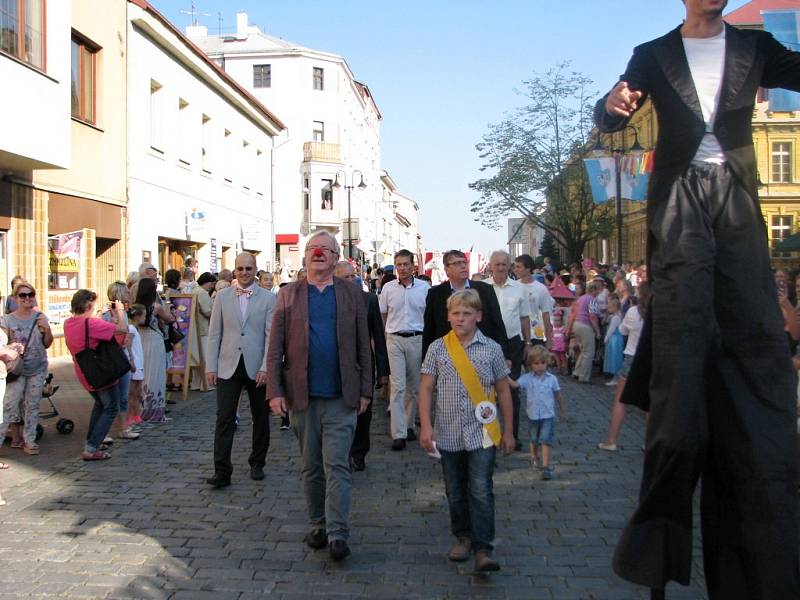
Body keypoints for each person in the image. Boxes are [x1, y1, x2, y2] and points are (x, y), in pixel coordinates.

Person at [596, 1, 800, 596]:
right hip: (679, 191)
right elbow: (609, 114)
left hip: (735, 190)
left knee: (748, 313)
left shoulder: (755, 48)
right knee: (684, 318)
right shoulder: (654, 54)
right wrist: (612, 107)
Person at [267, 231, 372, 561]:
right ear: (306, 255)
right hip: (303, 397)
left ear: (336, 257)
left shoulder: (352, 293)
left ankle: (338, 533)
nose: (318, 254)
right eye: (314, 249)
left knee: (338, 464)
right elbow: (275, 349)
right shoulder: (289, 295)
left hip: (342, 397)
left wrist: (367, 389)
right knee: (312, 467)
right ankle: (318, 524)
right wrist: (274, 391)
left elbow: (363, 347)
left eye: (326, 250)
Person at [418, 289, 514, 573]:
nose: (461, 319)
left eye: (467, 314)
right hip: (447, 432)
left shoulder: (492, 349)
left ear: (479, 317)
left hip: (482, 433)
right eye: (456, 314)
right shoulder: (438, 347)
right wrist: (426, 425)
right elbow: (425, 387)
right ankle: (463, 536)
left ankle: (484, 547)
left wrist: (508, 431)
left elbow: (503, 390)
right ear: (448, 317)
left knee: (481, 489)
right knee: (455, 490)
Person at [205, 252, 275, 488]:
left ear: (256, 269)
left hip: (257, 367)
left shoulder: (267, 298)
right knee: (224, 418)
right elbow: (215, 333)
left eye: (248, 268)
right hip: (228, 365)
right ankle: (222, 471)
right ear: (234, 271)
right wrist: (211, 366)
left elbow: (270, 337)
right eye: (240, 269)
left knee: (260, 417)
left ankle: (257, 462)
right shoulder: (222, 297)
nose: (244, 273)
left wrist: (266, 367)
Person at [334, 261, 389, 470]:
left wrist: (383, 371)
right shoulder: (330, 299)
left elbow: (378, 336)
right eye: (345, 277)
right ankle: (342, 452)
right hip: (337, 365)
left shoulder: (368, 300)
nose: (351, 281)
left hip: (363, 365)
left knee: (364, 412)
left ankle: (359, 453)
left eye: (353, 277)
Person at [63, 291, 128, 461]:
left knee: (100, 405)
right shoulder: (90, 323)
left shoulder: (68, 323)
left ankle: (93, 442)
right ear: (88, 305)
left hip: (85, 372)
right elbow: (122, 329)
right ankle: (91, 449)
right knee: (111, 407)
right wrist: (120, 311)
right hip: (101, 371)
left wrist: (106, 318)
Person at [378, 249, 430, 451]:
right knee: (398, 386)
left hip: (417, 339)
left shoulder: (424, 288)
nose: (402, 268)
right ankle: (398, 433)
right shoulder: (388, 288)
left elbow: (428, 316)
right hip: (394, 339)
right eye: (398, 265)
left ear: (413, 266)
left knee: (414, 387)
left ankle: (409, 425)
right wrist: (385, 337)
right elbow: (383, 315)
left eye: (405, 264)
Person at [422, 249, 509, 363]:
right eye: (457, 263)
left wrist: (504, 355)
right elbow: (429, 329)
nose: (463, 266)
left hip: (482, 355)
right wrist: (425, 360)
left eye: (464, 262)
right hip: (447, 355)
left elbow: (497, 323)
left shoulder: (485, 290)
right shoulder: (435, 294)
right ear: (447, 269)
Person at [0, 282, 53, 455]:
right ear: (15, 298)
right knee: (8, 406)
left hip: (37, 368)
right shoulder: (7, 319)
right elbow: (3, 345)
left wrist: (46, 329)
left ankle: (29, 441)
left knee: (33, 405)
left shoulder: (39, 316)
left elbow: (47, 343)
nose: (27, 298)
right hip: (17, 370)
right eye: (23, 295)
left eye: (30, 294)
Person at [598, 284, 651, 453]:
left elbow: (623, 330)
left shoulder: (633, 312)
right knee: (651, 403)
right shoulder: (660, 312)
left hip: (631, 356)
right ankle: (649, 442)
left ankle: (612, 440)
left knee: (620, 400)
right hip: (651, 358)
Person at [489, 250, 532, 451]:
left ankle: (512, 435)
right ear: (490, 266)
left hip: (514, 343)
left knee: (512, 390)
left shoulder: (518, 289)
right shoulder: (482, 288)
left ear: (509, 266)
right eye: (496, 264)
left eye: (504, 264)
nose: (500, 267)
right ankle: (489, 435)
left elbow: (525, 318)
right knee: (487, 391)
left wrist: (528, 343)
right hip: (489, 343)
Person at [509, 345, 566, 481]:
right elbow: (515, 385)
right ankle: (534, 457)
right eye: (536, 363)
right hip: (533, 415)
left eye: (543, 363)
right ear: (530, 365)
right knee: (534, 439)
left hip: (547, 416)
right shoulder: (527, 378)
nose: (540, 366)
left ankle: (546, 467)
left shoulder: (552, 379)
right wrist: (504, 374)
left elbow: (558, 395)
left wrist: (562, 410)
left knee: (546, 440)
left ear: (547, 363)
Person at [101, 282, 138, 441]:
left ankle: (123, 428)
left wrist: (131, 358)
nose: (129, 295)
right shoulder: (106, 314)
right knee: (109, 399)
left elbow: (127, 339)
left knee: (123, 395)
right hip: (111, 359)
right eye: (127, 293)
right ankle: (103, 433)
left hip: (122, 357)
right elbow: (111, 335)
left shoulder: (124, 313)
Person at [134, 277, 174, 423]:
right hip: (155, 341)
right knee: (156, 374)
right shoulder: (155, 306)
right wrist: (168, 304)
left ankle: (140, 409)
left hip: (140, 340)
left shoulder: (136, 307)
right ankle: (155, 411)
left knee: (143, 374)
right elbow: (170, 319)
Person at [513, 255, 555, 348]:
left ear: (528, 269)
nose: (515, 270)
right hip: (517, 335)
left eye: (518, 267)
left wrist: (548, 339)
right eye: (514, 267)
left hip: (536, 333)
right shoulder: (513, 286)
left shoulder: (541, 288)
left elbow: (546, 314)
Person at [565, 281, 601, 383]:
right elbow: (593, 316)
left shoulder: (581, 298)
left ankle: (577, 372)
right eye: (597, 290)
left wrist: (569, 328)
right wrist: (597, 331)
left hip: (577, 324)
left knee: (583, 350)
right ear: (593, 290)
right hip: (586, 326)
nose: (597, 292)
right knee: (589, 352)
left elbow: (574, 313)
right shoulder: (592, 299)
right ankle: (583, 376)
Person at [189, 272, 215, 392]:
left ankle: (196, 383)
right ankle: (206, 384)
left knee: (197, 356)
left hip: (195, 328)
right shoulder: (203, 293)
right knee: (205, 356)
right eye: (211, 283)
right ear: (208, 282)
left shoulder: (194, 290)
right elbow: (207, 311)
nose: (212, 286)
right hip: (203, 328)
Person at [126, 304, 147, 430]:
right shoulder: (131, 329)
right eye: (144, 315)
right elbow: (128, 345)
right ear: (138, 316)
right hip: (135, 365)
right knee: (133, 393)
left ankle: (136, 415)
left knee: (137, 392)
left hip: (138, 364)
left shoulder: (134, 328)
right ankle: (131, 417)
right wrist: (132, 361)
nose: (145, 318)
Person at [603, 294, 624, 387]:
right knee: (617, 357)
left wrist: (606, 339)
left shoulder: (615, 317)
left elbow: (611, 329)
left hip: (614, 339)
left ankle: (615, 378)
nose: (608, 309)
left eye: (610, 307)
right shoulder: (619, 315)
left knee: (614, 358)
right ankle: (616, 377)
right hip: (618, 338)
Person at [550, 310, 568, 375]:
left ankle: (565, 369)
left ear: (561, 321)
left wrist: (566, 343)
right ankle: (559, 368)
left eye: (558, 320)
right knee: (557, 358)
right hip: (555, 346)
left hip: (561, 346)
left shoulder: (563, 328)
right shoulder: (552, 329)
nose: (556, 322)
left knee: (563, 357)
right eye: (555, 321)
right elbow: (551, 336)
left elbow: (566, 336)